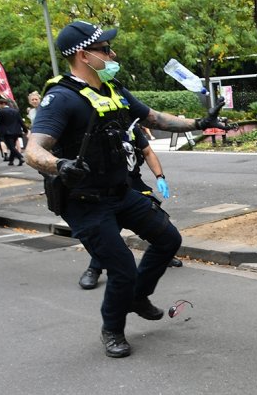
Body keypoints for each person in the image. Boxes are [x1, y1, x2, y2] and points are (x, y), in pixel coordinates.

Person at [25, 20, 228, 358]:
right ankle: (113, 328)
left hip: (121, 191)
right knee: (121, 268)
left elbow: (153, 118)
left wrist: (199, 124)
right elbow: (33, 150)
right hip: (85, 202)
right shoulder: (61, 98)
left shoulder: (112, 89)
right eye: (105, 49)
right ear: (84, 55)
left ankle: (137, 296)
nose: (112, 53)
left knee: (168, 239)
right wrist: (60, 165)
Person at [78, 125, 182, 290]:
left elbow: (147, 152)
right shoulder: (96, 129)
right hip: (111, 187)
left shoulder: (132, 128)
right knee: (110, 228)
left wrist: (160, 177)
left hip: (134, 182)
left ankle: (163, 253)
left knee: (155, 218)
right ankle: (94, 268)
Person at [0, 98, 28, 166]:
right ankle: (11, 161)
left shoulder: (1, 112)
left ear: (3, 104)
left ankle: (20, 157)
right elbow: (20, 121)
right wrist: (25, 130)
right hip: (16, 131)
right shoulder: (15, 111)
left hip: (7, 132)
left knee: (11, 147)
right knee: (12, 146)